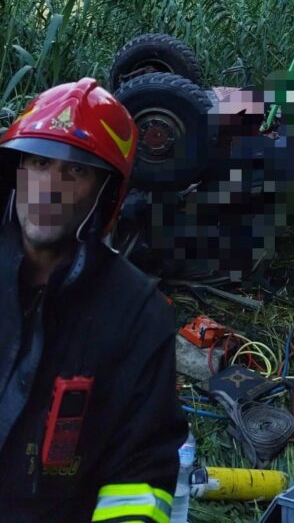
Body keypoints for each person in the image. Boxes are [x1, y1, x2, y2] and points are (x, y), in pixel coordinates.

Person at [0, 78, 188, 523]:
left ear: (105, 195)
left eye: (75, 171)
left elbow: (140, 478)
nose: (49, 186)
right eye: (39, 162)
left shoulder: (137, 315)